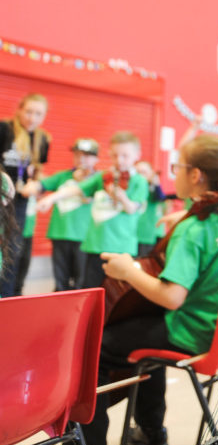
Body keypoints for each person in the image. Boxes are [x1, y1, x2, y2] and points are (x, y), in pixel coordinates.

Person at [50, 134, 218, 445]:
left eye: (177, 166)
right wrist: (182, 217)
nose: (172, 172)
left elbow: (171, 297)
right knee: (148, 333)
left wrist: (128, 271)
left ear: (195, 176)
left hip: (191, 332)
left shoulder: (194, 230)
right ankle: (151, 432)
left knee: (90, 348)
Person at [37, 131, 147, 290]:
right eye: (115, 155)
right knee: (89, 289)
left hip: (122, 248)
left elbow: (132, 209)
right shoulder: (104, 176)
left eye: (125, 155)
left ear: (137, 155)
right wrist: (51, 198)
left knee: (116, 293)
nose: (119, 160)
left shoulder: (139, 181)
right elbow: (76, 190)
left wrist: (122, 197)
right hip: (95, 245)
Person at [20, 138, 99, 291]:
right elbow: (43, 184)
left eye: (86, 155)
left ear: (96, 158)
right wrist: (31, 185)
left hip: (84, 237)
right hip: (60, 233)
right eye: (77, 155)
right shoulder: (63, 176)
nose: (81, 159)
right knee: (60, 280)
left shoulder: (98, 179)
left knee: (81, 281)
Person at [0, 93, 50, 297]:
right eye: (28, 112)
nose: (32, 118)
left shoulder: (42, 139)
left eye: (38, 114)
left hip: (20, 203)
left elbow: (38, 171)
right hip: (2, 196)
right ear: (20, 109)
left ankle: (8, 298)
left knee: (14, 250)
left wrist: (37, 184)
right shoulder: (5, 129)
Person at [135, 160, 167, 257]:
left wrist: (156, 183)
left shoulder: (152, 188)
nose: (140, 175)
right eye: (138, 172)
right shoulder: (133, 188)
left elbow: (161, 197)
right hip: (132, 234)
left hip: (147, 235)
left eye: (144, 172)